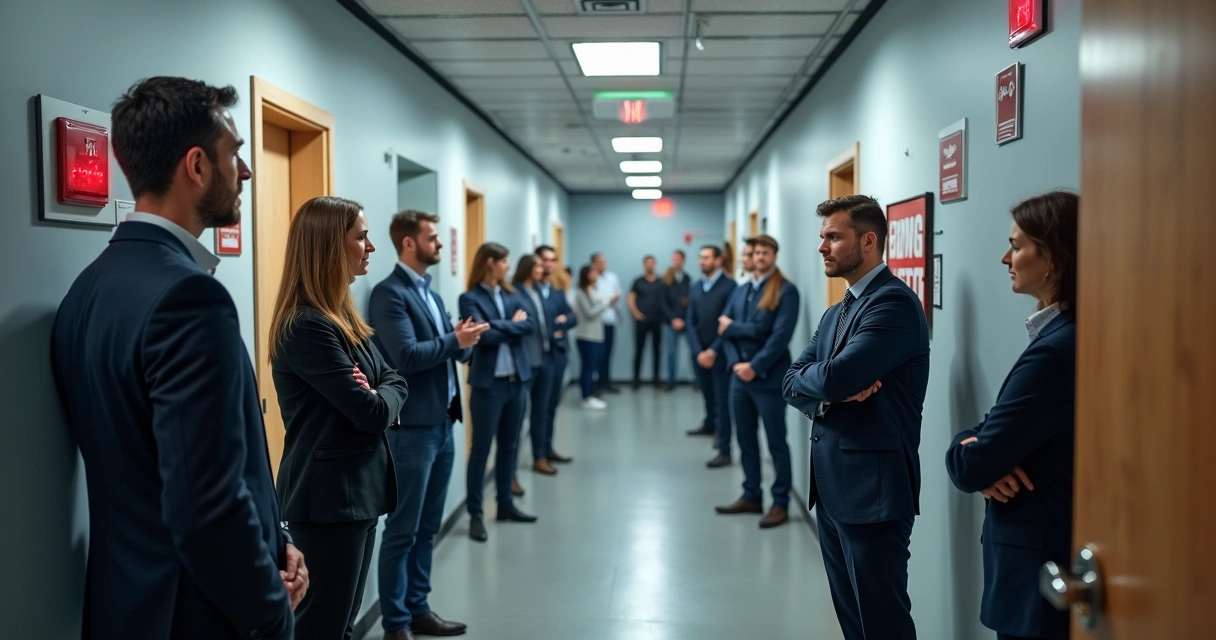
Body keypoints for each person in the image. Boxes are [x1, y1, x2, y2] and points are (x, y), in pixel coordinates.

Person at [50, 76, 304, 640]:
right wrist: (270, 614)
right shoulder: (190, 298)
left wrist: (278, 537)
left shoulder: (85, 291)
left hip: (123, 604)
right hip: (195, 613)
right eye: (234, 153)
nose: (245, 171)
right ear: (196, 165)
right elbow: (206, 504)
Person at [782, 195, 930, 640]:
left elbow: (834, 377)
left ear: (868, 241)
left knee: (882, 623)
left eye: (833, 237)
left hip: (872, 493)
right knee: (853, 621)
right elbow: (791, 381)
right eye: (822, 237)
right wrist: (829, 392)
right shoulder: (836, 312)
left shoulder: (894, 304)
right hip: (832, 490)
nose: (822, 246)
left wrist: (828, 383)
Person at [269, 197, 408, 640]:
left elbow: (394, 379)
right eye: (361, 237)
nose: (371, 247)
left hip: (358, 494)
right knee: (322, 629)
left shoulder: (342, 317)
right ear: (330, 245)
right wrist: (379, 395)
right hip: (329, 500)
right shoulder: (307, 326)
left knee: (342, 625)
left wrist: (379, 390)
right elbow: (372, 412)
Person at [945, 192, 1079, 640]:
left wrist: (970, 451)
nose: (1006, 258)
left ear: (1052, 257)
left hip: (1036, 568)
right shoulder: (1061, 335)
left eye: (1016, 246)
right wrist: (981, 447)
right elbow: (995, 431)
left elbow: (976, 464)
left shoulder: (1055, 351)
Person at [369, 209, 482, 640]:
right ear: (409, 243)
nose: (439, 243)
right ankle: (396, 623)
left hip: (443, 421)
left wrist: (464, 341)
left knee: (428, 527)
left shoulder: (430, 293)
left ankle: (419, 608)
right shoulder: (389, 294)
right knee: (402, 530)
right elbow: (406, 357)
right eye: (432, 238)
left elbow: (447, 350)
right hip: (412, 429)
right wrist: (455, 339)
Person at [714, 235, 799, 529]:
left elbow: (778, 336)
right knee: (745, 441)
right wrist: (737, 364)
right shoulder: (742, 290)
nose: (759, 257)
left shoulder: (786, 291)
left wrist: (754, 366)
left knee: (776, 443)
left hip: (768, 378)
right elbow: (723, 330)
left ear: (774, 256)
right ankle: (751, 495)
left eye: (765, 252)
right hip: (739, 379)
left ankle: (780, 502)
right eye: (755, 252)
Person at [459, 243, 538, 542]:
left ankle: (505, 504)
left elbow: (529, 325)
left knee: (510, 446)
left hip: (516, 383)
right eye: (504, 261)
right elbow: (484, 336)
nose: (508, 267)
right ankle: (475, 513)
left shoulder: (511, 294)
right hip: (488, 386)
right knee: (481, 451)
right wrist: (508, 327)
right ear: (490, 262)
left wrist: (497, 326)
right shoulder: (470, 298)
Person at [685, 246, 739, 468]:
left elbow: (729, 321)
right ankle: (709, 424)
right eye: (700, 257)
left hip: (720, 354)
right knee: (707, 394)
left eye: (706, 257)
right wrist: (699, 351)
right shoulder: (696, 286)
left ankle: (724, 447)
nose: (701, 261)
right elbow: (690, 321)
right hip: (700, 354)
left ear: (718, 260)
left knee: (722, 401)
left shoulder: (730, 286)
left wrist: (712, 351)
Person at [512, 254, 560, 476]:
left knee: (541, 411)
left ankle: (539, 456)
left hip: (544, 358)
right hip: (526, 362)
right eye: (538, 266)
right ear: (528, 268)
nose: (542, 269)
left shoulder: (539, 291)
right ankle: (510, 472)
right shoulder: (515, 292)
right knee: (517, 418)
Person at [534, 245, 578, 466]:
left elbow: (573, 317)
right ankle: (538, 455)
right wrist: (557, 324)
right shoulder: (529, 292)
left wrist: (561, 322)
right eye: (545, 260)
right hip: (539, 356)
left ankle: (548, 448)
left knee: (552, 406)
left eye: (553, 260)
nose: (550, 264)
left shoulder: (556, 291)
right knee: (539, 408)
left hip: (558, 354)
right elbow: (537, 323)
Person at [574, 265, 619, 410]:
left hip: (596, 336)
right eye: (593, 272)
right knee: (587, 368)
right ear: (587, 275)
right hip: (586, 336)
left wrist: (609, 301)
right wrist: (606, 303)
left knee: (593, 368)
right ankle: (586, 397)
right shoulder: (581, 293)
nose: (596, 275)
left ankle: (591, 395)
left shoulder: (592, 291)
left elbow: (600, 303)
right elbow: (590, 313)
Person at [628, 255, 667, 389]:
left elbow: (665, 300)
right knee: (639, 350)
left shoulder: (661, 281)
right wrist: (636, 313)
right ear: (644, 265)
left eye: (652, 263)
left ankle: (656, 379)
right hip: (642, 321)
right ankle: (636, 379)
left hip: (657, 320)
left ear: (654, 264)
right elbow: (631, 298)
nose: (650, 265)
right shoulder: (638, 281)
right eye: (647, 263)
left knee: (657, 350)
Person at [590, 253, 623, 394]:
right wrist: (608, 299)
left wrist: (611, 299)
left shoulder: (612, 277)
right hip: (596, 322)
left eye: (604, 261)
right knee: (596, 354)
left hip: (610, 320)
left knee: (608, 353)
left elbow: (617, 294)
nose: (603, 264)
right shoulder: (591, 278)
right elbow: (595, 299)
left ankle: (605, 382)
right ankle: (594, 384)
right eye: (599, 262)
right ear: (593, 263)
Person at [662, 250, 692, 391]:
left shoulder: (687, 278)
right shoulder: (666, 278)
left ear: (683, 260)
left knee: (694, 350)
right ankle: (671, 382)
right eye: (674, 259)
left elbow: (689, 300)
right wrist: (673, 319)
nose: (676, 261)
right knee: (671, 353)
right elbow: (663, 303)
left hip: (685, 322)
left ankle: (698, 381)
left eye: (678, 259)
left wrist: (684, 319)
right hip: (671, 322)